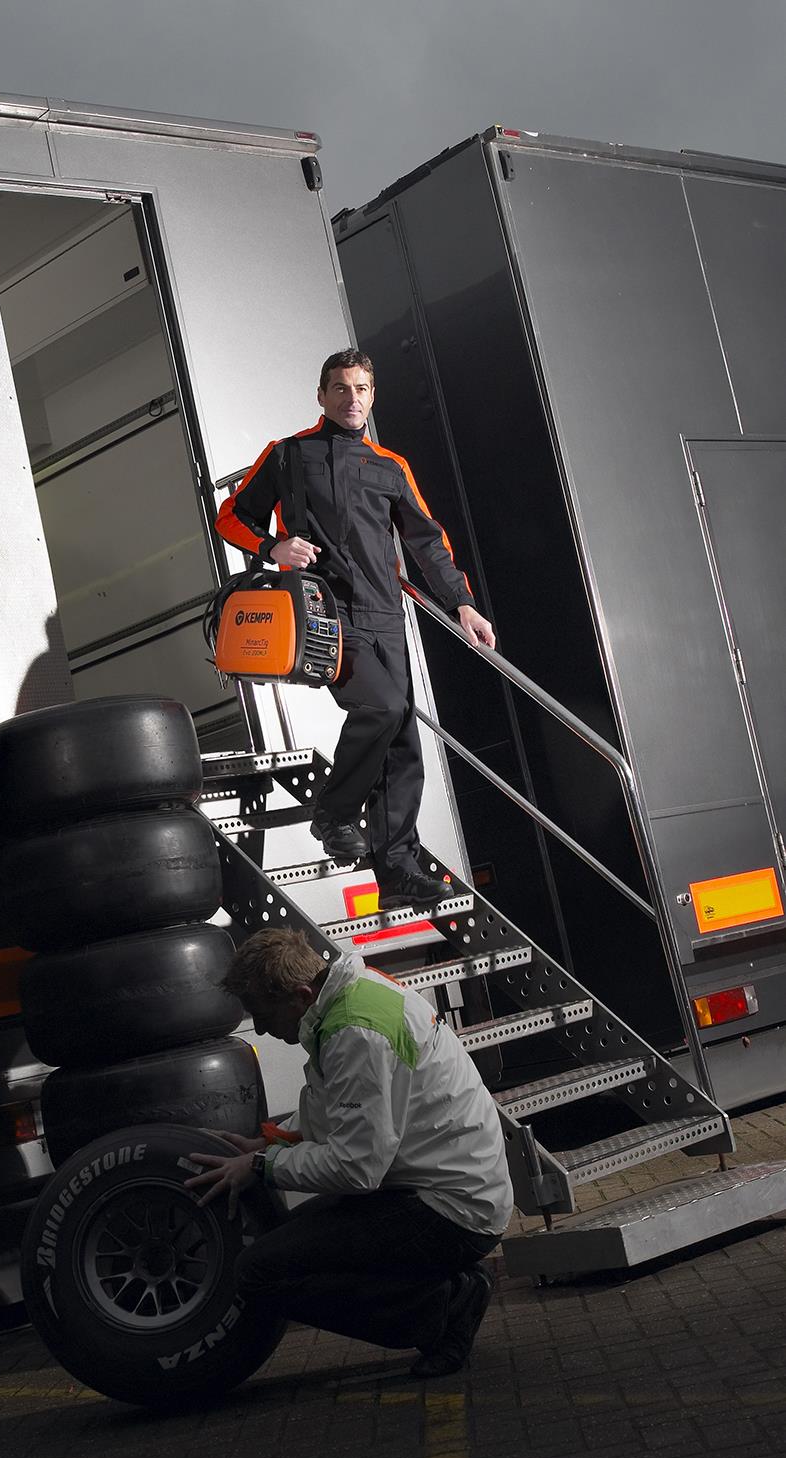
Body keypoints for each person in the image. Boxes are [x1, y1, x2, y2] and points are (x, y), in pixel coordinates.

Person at [214, 349, 495, 910]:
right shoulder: (288, 454)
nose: (351, 398)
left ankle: (396, 872)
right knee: (382, 707)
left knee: (403, 742)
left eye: (361, 388)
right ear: (321, 395)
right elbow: (231, 517)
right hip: (324, 612)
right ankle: (335, 812)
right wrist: (273, 547)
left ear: (372, 396)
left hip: (385, 613)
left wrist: (462, 604)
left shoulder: (390, 466)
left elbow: (427, 542)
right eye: (340, 388)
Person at [185, 927, 513, 1378]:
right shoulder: (352, 996)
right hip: (440, 1188)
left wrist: (262, 1166)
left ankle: (446, 1305)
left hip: (451, 1211)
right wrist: (272, 1142)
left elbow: (357, 1169)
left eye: (262, 1014)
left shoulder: (356, 1032)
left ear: (301, 996)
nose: (259, 1028)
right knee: (282, 1244)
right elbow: (342, 1108)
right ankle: (440, 1289)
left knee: (262, 1271)